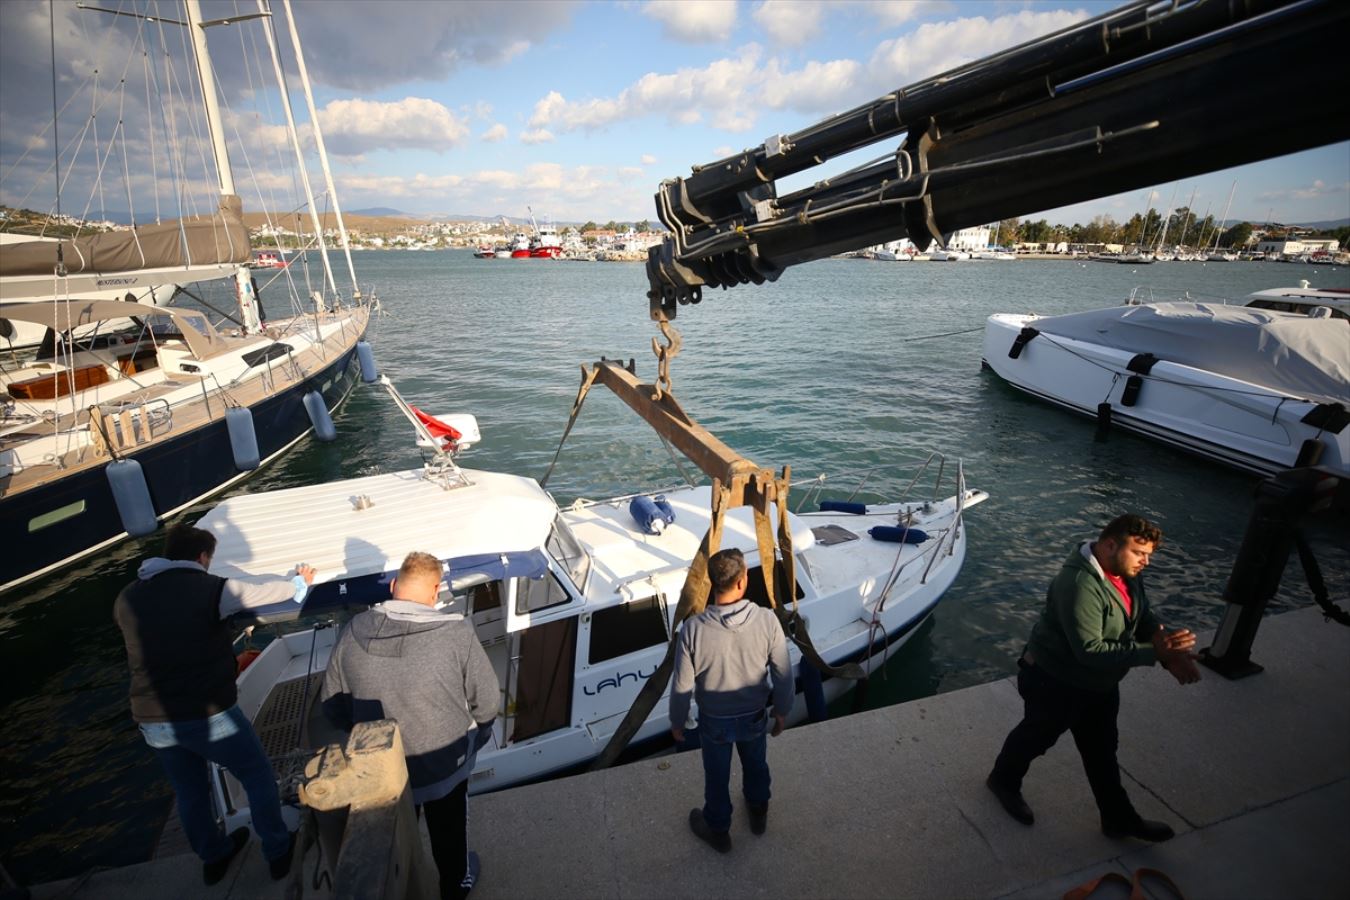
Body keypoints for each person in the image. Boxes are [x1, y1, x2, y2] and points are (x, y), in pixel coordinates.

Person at [113, 522, 314, 885]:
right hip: (205, 713)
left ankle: (214, 855)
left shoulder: (127, 596)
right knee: (256, 775)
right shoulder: (210, 589)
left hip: (151, 717)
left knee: (189, 791)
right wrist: (299, 582)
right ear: (203, 557)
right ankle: (278, 850)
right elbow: (262, 592)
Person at [986, 513, 1201, 842]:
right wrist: (1157, 654)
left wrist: (1167, 649)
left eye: (1149, 556)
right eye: (1139, 553)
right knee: (1036, 737)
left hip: (1097, 684)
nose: (1145, 562)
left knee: (1102, 751)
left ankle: (1118, 818)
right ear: (1110, 545)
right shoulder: (1078, 585)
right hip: (1054, 681)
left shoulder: (1126, 572)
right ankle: (1003, 780)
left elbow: (1142, 613)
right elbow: (1090, 651)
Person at [321, 552, 499, 900]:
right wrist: (480, 736)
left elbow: (332, 704)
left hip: (381, 771)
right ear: (435, 592)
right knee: (449, 834)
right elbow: (488, 701)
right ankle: (454, 884)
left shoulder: (352, 631)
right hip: (444, 765)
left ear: (393, 587)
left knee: (391, 838)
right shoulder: (456, 633)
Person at [670, 547, 794, 853]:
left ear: (713, 582)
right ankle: (758, 811)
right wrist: (781, 711)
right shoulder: (767, 620)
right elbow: (782, 673)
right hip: (754, 715)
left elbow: (682, 686)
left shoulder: (692, 630)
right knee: (756, 764)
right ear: (743, 581)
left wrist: (678, 722)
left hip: (714, 723)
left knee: (716, 776)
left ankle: (718, 829)